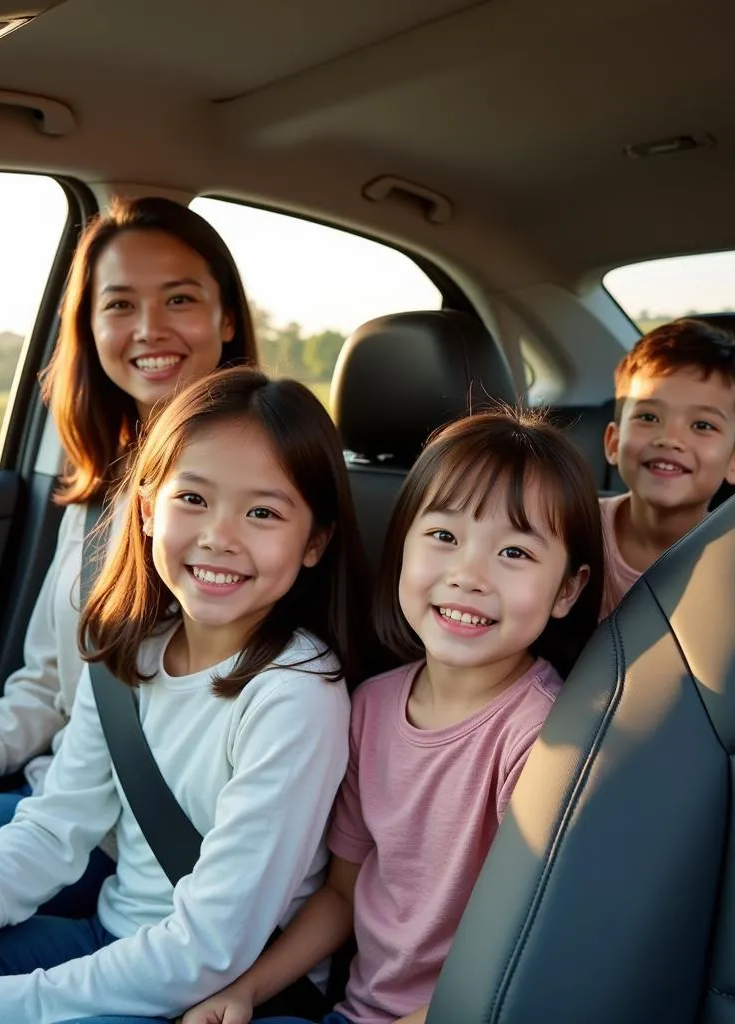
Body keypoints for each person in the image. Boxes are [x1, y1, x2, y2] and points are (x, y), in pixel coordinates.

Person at [0, 367, 371, 1024]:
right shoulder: (129, 651)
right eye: (194, 499)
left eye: (263, 512)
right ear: (149, 508)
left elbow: (208, 949)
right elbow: (55, 823)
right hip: (109, 942)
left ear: (315, 542)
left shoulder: (294, 697)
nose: (220, 535)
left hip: (209, 992)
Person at [0, 196, 258, 913]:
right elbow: (48, 684)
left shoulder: (260, 505)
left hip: (134, 851)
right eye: (120, 304)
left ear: (227, 319)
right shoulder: (103, 489)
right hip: (51, 806)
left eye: (180, 299)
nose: (149, 329)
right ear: (90, 327)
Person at [182, 407, 603, 1024]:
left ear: (567, 589)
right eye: (444, 537)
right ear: (401, 545)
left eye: (514, 551)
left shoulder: (544, 741)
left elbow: (534, 962)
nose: (468, 574)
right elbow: (343, 893)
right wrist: (245, 990)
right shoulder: (370, 707)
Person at [599, 318, 735, 619]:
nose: (670, 439)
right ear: (613, 442)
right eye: (648, 417)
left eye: (702, 425)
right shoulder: (572, 531)